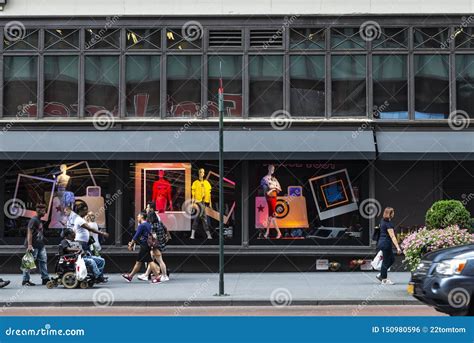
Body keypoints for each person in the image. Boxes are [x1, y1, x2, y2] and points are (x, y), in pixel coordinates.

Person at [122, 212, 162, 283]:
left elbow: (136, 236)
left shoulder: (142, 225)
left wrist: (131, 244)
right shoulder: (149, 224)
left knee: (150, 261)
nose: (137, 218)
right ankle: (130, 276)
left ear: (142, 217)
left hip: (144, 245)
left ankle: (158, 277)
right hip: (147, 245)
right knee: (139, 262)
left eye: (138, 216)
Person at [138, 203, 169, 282]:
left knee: (159, 260)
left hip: (156, 246)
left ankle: (164, 276)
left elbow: (154, 237)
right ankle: (146, 275)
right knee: (151, 260)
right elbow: (165, 229)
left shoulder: (153, 226)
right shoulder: (159, 223)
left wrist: (152, 245)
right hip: (161, 244)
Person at [23, 203, 50, 286]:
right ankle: (25, 280)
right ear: (39, 211)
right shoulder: (34, 220)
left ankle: (45, 278)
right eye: (43, 211)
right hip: (33, 245)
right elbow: (29, 232)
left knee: (43, 261)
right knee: (29, 262)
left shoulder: (39, 220)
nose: (45, 212)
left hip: (40, 245)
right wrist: (30, 245)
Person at [376, 207, 402, 285]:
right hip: (385, 244)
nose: (394, 214)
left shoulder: (382, 220)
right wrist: (398, 247)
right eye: (393, 212)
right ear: (390, 214)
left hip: (382, 242)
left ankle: (381, 274)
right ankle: (384, 279)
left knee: (392, 259)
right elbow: (392, 236)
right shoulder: (388, 224)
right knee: (386, 261)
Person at [261, 164, 282, 239]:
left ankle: (267, 232)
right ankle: (279, 232)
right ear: (268, 169)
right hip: (269, 197)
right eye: (271, 168)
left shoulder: (274, 179)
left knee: (270, 216)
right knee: (273, 215)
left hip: (274, 197)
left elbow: (279, 189)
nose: (273, 170)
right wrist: (274, 188)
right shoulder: (265, 178)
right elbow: (267, 189)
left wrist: (274, 188)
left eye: (274, 168)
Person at [190, 168, 212, 240]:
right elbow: (193, 194)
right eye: (201, 172)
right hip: (198, 202)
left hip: (204, 203)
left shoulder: (206, 183)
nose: (202, 173)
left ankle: (193, 235)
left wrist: (210, 204)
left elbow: (209, 194)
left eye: (203, 172)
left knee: (200, 218)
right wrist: (193, 204)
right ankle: (208, 235)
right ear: (198, 173)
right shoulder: (195, 183)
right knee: (203, 218)